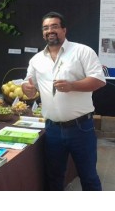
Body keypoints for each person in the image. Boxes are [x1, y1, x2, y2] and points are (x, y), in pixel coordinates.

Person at [22, 11, 106, 191]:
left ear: (64, 30)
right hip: (52, 130)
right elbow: (29, 90)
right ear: (42, 32)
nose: (50, 30)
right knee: (54, 178)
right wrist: (26, 89)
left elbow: (99, 80)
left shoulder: (82, 51)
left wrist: (72, 86)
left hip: (81, 128)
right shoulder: (36, 60)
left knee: (89, 177)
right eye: (46, 28)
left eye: (54, 26)